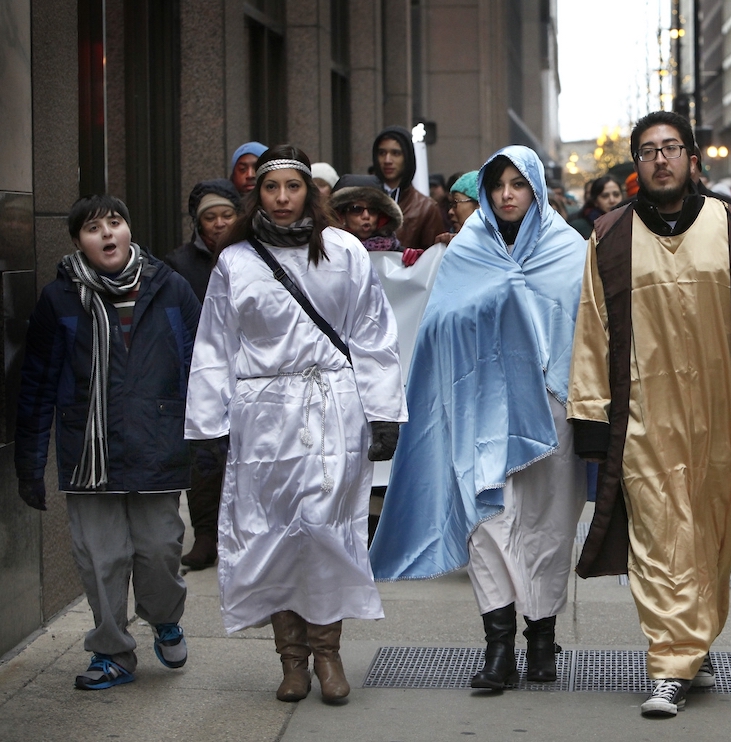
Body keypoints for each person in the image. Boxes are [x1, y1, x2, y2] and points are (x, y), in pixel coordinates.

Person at [567, 111, 731, 719]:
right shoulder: (608, 237)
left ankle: (694, 639)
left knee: (711, 541)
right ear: (636, 166)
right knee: (658, 537)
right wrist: (592, 418)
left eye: (671, 148)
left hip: (723, 416)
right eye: (647, 151)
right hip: (643, 416)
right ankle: (669, 662)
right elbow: (592, 330)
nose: (660, 159)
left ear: (692, 158)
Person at [184, 145, 407, 703]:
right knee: (273, 534)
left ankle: (328, 652)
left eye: (293, 186)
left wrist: (383, 413)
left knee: (326, 531)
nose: (282, 199)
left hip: (332, 407)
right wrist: (209, 426)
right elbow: (215, 345)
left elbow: (373, 334)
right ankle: (291, 660)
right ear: (255, 195)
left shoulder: (343, 250)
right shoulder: (235, 261)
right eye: (270, 188)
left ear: (310, 191)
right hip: (263, 416)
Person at [370, 145, 588, 691]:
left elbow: (591, 334)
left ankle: (542, 640)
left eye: (519, 184)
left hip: (552, 410)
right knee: (486, 523)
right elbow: (438, 328)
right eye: (498, 185)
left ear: (537, 188)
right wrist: (494, 303)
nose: (508, 194)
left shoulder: (570, 250)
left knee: (548, 526)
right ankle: (498, 647)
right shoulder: (468, 249)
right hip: (482, 409)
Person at [15, 195, 201, 690]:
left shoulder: (171, 288)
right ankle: (112, 652)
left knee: (160, 550)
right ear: (78, 240)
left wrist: (208, 442)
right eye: (93, 228)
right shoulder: (59, 300)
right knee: (100, 558)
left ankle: (164, 618)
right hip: (88, 454)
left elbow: (201, 369)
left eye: (114, 222)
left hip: (157, 444)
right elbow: (36, 383)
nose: (106, 234)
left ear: (129, 229)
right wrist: (30, 465)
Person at [164, 179, 243, 570]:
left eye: (226, 215)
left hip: (247, 372)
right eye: (209, 217)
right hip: (199, 372)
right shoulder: (178, 264)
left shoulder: (252, 256)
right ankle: (206, 535)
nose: (218, 223)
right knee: (204, 459)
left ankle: (240, 535)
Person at [371, 126, 445, 251]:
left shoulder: (426, 207)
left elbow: (433, 259)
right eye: (382, 153)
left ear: (407, 157)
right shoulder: (365, 201)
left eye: (396, 153)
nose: (387, 160)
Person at [330, 174, 405, 254]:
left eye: (373, 210)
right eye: (356, 209)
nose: (366, 216)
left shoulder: (399, 254)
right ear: (342, 216)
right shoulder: (329, 252)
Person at [434, 170, 479, 245]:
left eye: (455, 203)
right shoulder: (451, 243)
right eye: (450, 205)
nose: (450, 212)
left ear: (479, 205)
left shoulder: (499, 244)